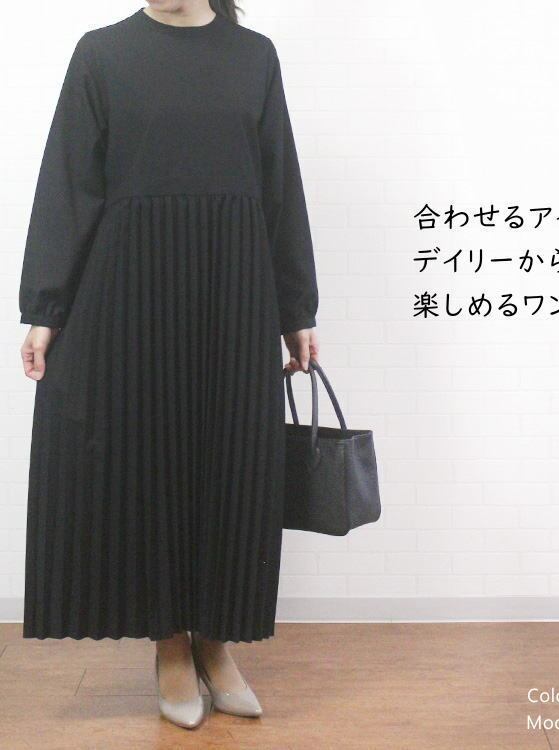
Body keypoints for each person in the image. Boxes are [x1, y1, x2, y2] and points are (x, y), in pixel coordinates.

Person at [18, 0, 320, 729]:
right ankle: (171, 648)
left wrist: (297, 311)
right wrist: (44, 308)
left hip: (233, 289)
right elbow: (68, 182)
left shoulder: (253, 56)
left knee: (229, 463)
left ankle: (217, 644)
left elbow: (279, 185)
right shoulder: (102, 53)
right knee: (152, 464)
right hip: (132, 292)